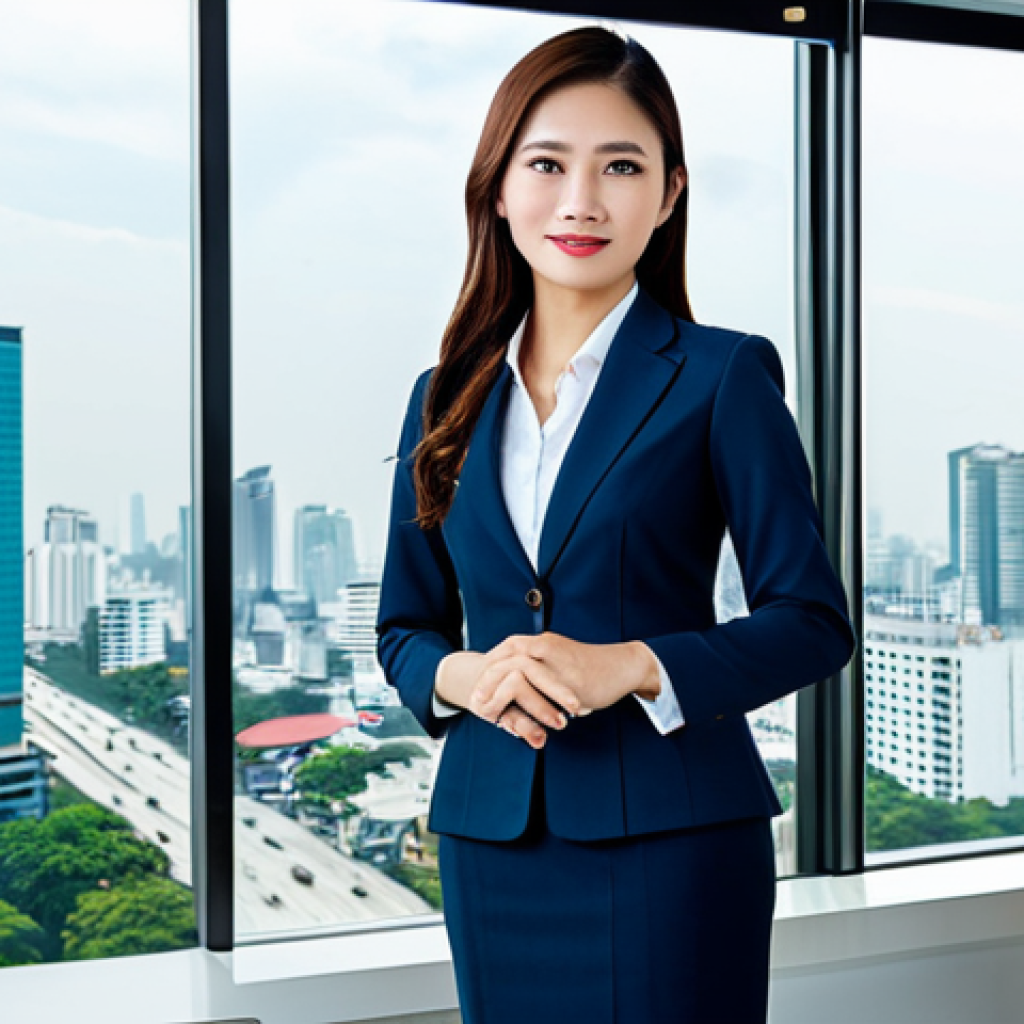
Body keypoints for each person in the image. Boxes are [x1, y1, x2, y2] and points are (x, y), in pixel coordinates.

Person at [376, 24, 854, 1024]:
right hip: (491, 839)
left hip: (672, 842)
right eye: (546, 162)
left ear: (668, 193)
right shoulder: (443, 397)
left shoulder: (723, 375)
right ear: (498, 187)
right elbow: (403, 630)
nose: (581, 199)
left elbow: (811, 619)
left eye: (621, 165)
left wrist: (633, 664)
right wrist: (466, 675)